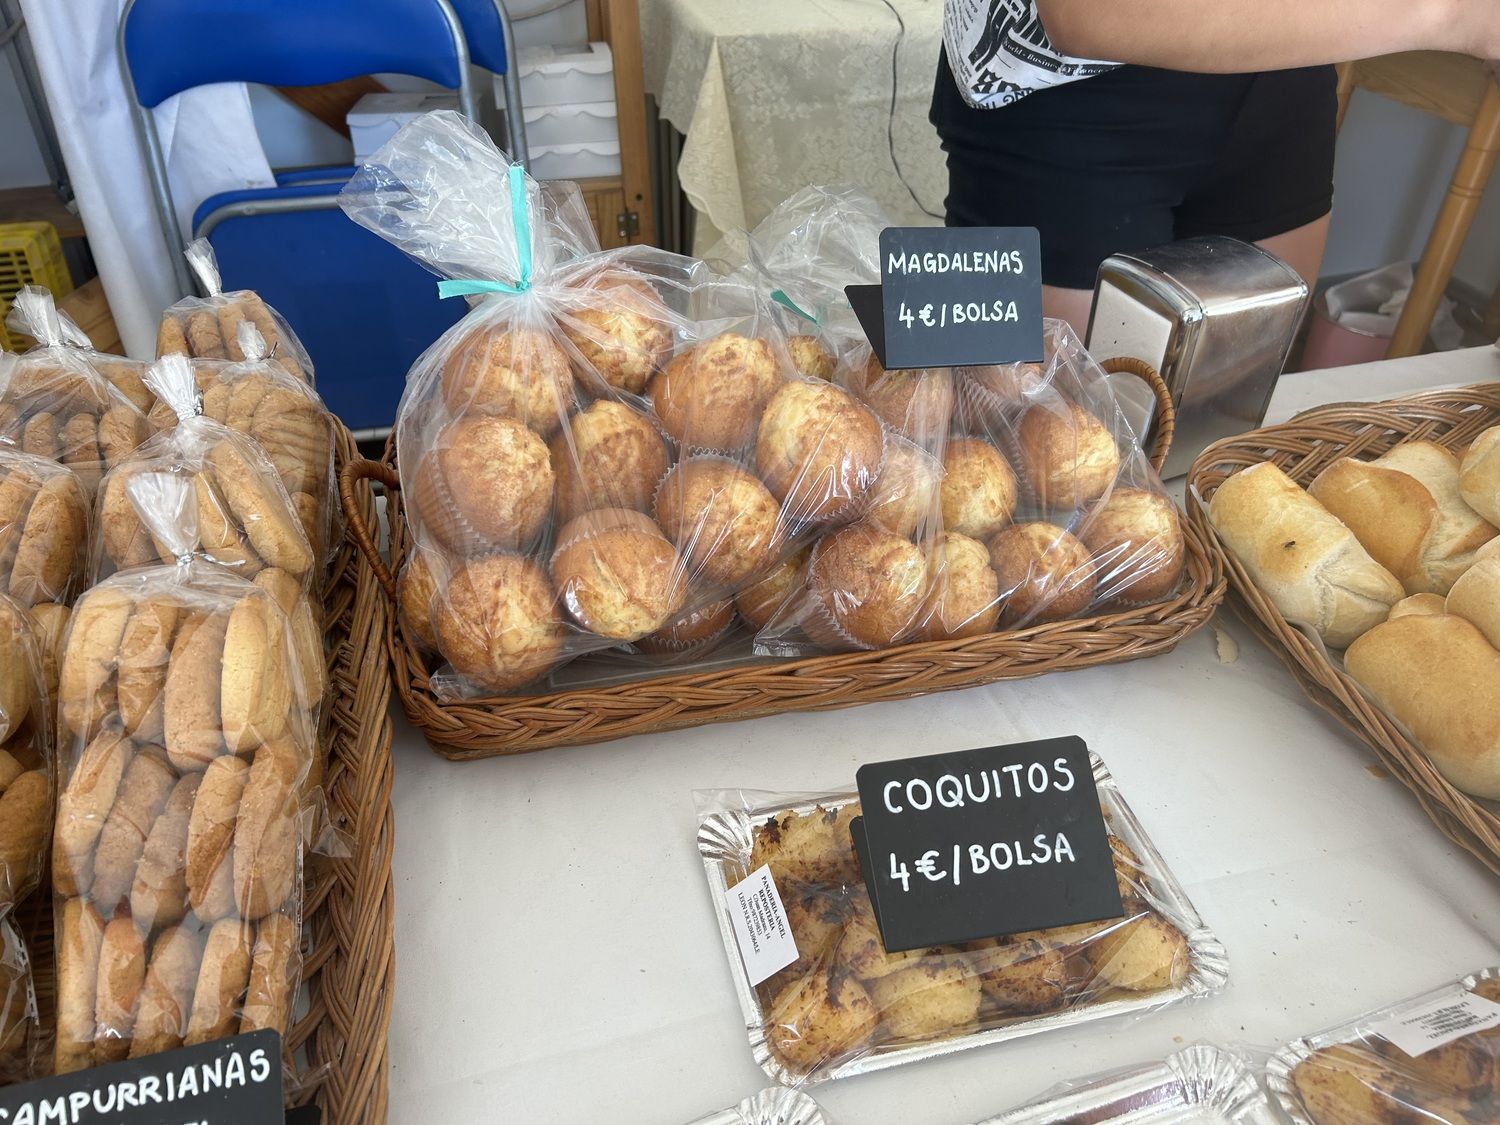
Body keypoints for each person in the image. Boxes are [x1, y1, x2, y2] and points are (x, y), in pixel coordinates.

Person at [932, 0, 1500, 331]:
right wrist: (1458, 17)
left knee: (1225, 433)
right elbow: (1089, 13)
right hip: (1060, 90)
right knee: (1041, 458)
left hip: (1284, 58)